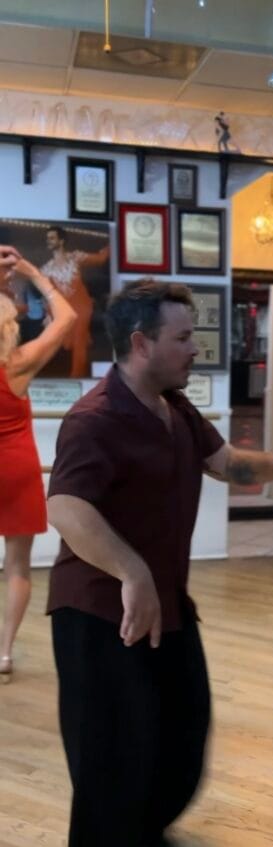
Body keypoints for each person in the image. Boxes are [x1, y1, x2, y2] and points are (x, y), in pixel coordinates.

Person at [46, 277, 273, 847]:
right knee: (111, 744)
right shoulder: (95, 418)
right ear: (141, 343)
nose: (196, 348)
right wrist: (132, 571)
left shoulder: (174, 407)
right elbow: (65, 508)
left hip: (164, 601)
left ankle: (143, 826)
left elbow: (226, 463)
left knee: (182, 725)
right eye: (183, 337)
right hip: (98, 610)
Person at [0, 245, 76, 678]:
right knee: (17, 566)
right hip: (16, 468)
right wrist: (32, 272)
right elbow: (67, 318)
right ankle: (4, 652)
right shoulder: (19, 363)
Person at [41, 225, 110, 378]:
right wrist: (48, 315)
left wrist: (114, 242)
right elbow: (49, 295)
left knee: (80, 342)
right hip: (63, 312)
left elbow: (100, 259)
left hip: (81, 308)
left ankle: (77, 377)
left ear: (61, 241)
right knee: (60, 343)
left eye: (52, 238)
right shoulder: (47, 269)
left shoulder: (75, 258)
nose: (48, 241)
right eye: (47, 238)